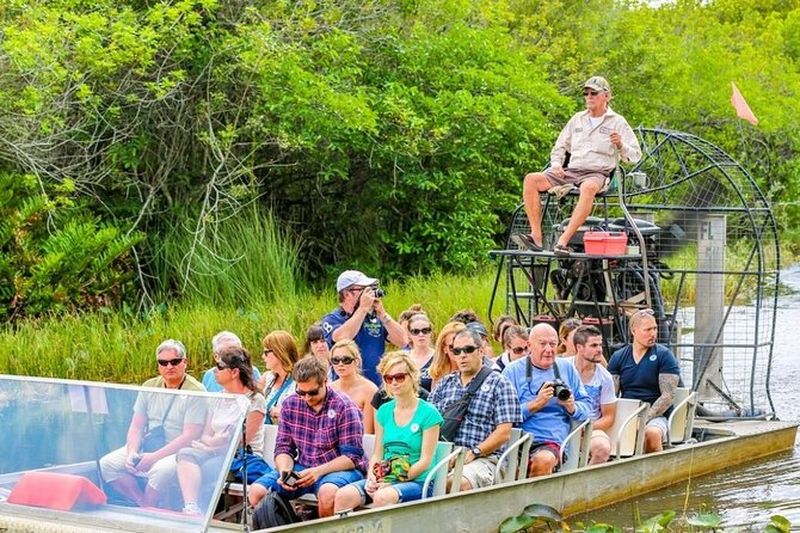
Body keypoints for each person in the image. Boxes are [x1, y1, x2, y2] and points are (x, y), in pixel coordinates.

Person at [517, 76, 642, 256]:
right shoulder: (577, 119)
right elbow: (559, 146)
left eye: (594, 93)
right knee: (531, 180)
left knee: (589, 187)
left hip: (597, 173)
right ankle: (536, 236)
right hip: (572, 171)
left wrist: (621, 144)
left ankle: (562, 241)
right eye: (586, 93)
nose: (589, 97)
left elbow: (635, 156)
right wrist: (556, 165)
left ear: (606, 96)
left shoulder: (617, 121)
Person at [249, 356, 366, 518]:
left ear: (325, 382)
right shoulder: (290, 404)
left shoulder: (345, 406)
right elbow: (283, 448)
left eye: (312, 392)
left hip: (339, 469)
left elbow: (352, 457)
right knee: (257, 492)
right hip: (303, 467)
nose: (306, 397)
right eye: (301, 392)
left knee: (327, 493)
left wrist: (318, 472)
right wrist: (285, 471)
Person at [99, 339, 206, 507]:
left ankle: (149, 509)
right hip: (150, 443)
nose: (169, 366)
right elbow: (136, 426)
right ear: (158, 365)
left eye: (175, 361)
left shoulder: (196, 391)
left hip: (179, 449)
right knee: (107, 464)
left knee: (159, 471)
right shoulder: (150, 386)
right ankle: (144, 505)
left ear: (185, 362)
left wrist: (154, 457)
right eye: (163, 363)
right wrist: (132, 451)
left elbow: (190, 436)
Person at [334, 352, 442, 511]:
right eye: (388, 378)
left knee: (382, 497)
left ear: (412, 377)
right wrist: (372, 477)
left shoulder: (428, 413)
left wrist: (394, 481)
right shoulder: (384, 411)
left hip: (418, 481)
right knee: (343, 495)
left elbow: (425, 461)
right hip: (386, 476)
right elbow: (378, 453)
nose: (394, 382)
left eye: (399, 377)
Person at [176, 346, 269, 514]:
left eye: (219, 366)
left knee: (208, 467)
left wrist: (212, 446)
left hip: (241, 457)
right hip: (214, 451)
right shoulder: (218, 398)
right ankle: (191, 508)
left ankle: (208, 515)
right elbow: (205, 434)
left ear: (234, 372)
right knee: (185, 454)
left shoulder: (255, 400)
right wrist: (212, 443)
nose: (214, 371)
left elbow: (241, 441)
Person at [429, 329, 521, 490]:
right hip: (444, 454)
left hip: (483, 457)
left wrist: (474, 452)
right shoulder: (445, 383)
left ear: (481, 351)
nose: (462, 355)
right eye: (457, 351)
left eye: (468, 349)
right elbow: (428, 423)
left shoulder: (500, 383)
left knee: (457, 482)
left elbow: (504, 432)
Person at [502, 324, 591, 477]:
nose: (549, 350)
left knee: (543, 460)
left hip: (551, 439)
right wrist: (535, 404)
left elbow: (587, 407)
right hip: (517, 438)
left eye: (553, 344)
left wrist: (572, 407)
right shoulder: (512, 371)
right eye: (542, 344)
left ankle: (535, 500)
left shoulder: (566, 369)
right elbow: (503, 415)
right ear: (529, 346)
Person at [608, 309, 680, 453]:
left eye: (655, 328)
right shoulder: (618, 357)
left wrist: (645, 418)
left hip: (655, 414)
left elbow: (668, 396)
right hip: (627, 412)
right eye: (648, 330)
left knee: (651, 433)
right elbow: (611, 394)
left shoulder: (664, 355)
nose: (653, 333)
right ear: (634, 331)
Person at [321, 270, 407, 386]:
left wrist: (383, 314)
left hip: (377, 388)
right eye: (363, 289)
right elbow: (341, 338)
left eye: (370, 289)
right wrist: (362, 309)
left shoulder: (374, 317)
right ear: (347, 294)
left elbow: (403, 341)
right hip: (348, 389)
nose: (369, 293)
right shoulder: (332, 319)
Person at [564, 325, 616, 464]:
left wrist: (584, 430)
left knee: (603, 448)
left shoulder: (604, 377)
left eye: (600, 345)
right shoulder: (563, 367)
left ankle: (587, 480)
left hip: (589, 428)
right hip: (561, 425)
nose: (599, 350)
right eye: (593, 345)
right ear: (579, 348)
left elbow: (609, 417)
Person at [258, 330, 302, 424]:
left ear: (279, 352)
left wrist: (284, 412)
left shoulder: (300, 380)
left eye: (266, 352)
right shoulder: (267, 378)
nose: (263, 356)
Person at [330, 339, 379, 413]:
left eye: (346, 360)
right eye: (336, 360)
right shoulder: (330, 389)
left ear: (356, 362)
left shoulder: (370, 390)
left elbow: (368, 424)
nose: (340, 364)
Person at [428, 321, 466, 391]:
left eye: (463, 346)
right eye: (452, 347)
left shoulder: (478, 372)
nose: (459, 351)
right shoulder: (439, 374)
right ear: (444, 348)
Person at [405, 313, 436, 391]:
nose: (421, 334)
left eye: (425, 330)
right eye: (415, 331)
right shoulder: (403, 358)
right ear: (409, 334)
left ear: (431, 332)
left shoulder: (439, 357)